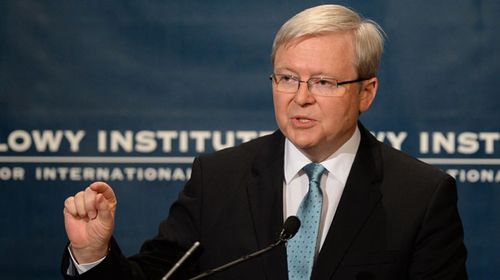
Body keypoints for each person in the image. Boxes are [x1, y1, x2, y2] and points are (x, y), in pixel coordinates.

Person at [61, 4, 467, 280]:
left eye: (323, 82)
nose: (300, 97)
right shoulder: (219, 179)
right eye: (287, 78)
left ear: (367, 92)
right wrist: (93, 255)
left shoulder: (421, 195)